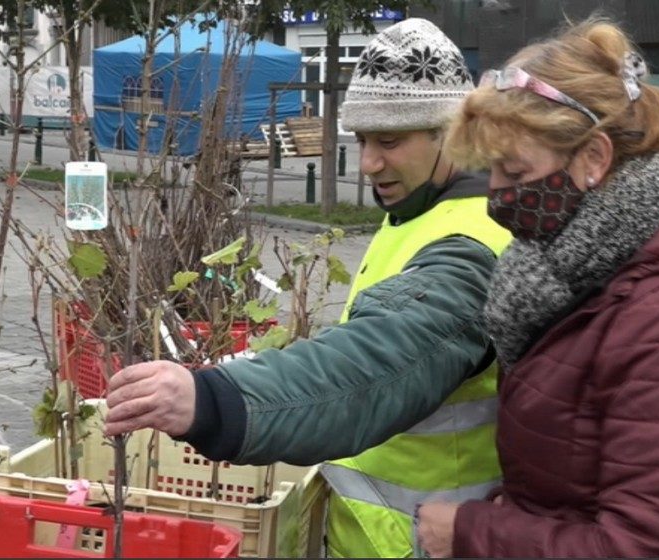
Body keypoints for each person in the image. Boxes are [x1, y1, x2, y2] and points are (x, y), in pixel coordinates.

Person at [103, 18, 512, 558]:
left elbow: (375, 363)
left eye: (389, 141)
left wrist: (212, 399)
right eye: (362, 140)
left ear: (455, 133)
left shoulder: (473, 242)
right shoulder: (422, 210)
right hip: (379, 533)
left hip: (421, 542)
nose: (368, 163)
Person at [415, 19, 659, 556]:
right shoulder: (580, 270)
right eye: (490, 170)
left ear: (594, 159)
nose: (496, 194)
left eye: (514, 169)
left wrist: (470, 532)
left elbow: (646, 545)